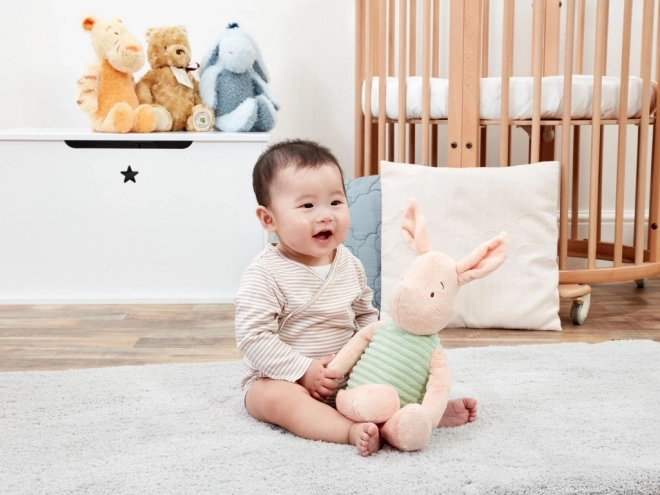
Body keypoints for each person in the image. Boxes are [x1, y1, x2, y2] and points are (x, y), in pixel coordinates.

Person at [234, 139, 477, 456]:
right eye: (307, 206)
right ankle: (347, 430)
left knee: (390, 377)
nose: (325, 216)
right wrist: (303, 371)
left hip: (347, 377)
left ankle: (421, 415)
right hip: (281, 378)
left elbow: (365, 317)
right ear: (269, 219)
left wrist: (377, 356)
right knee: (278, 400)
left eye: (335, 202)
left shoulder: (349, 263)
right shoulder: (264, 274)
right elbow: (253, 337)